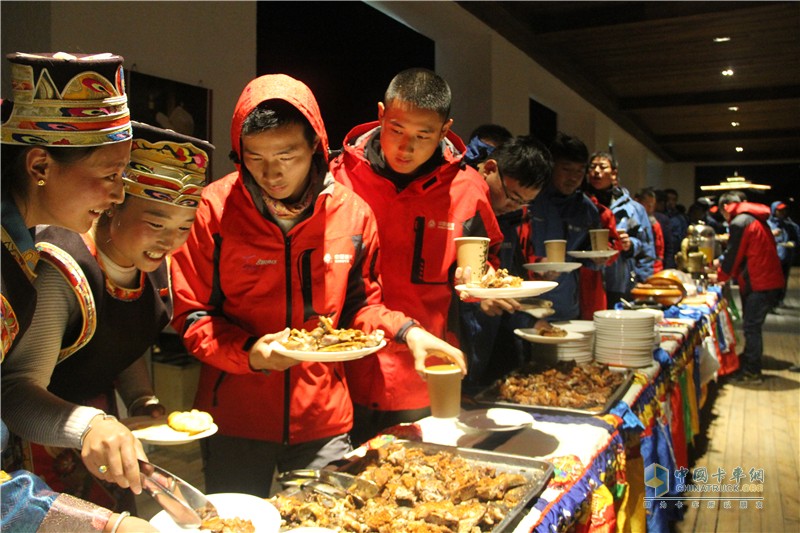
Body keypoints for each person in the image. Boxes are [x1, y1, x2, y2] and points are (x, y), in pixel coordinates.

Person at [169, 73, 464, 497]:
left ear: (314, 145)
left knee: (322, 520)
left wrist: (409, 332)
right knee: (234, 522)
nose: (271, 174)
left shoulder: (352, 214)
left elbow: (360, 309)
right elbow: (193, 314)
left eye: (287, 155)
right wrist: (251, 353)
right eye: (255, 158)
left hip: (322, 418)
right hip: (235, 416)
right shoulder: (213, 210)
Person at [2, 122, 213, 513]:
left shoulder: (153, 264)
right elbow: (15, 391)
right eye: (155, 223)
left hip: (103, 439)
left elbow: (122, 338)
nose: (170, 242)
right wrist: (90, 426)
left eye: (184, 227)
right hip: (42, 453)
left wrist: (141, 400)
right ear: (112, 206)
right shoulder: (61, 268)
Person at [0, 51, 154, 533]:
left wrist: (88, 424)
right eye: (109, 176)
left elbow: (11, 388)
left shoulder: (20, 247)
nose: (117, 195)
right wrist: (99, 527)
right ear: (41, 164)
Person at [330, 68, 504, 442]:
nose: (405, 147)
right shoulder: (339, 178)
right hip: (343, 372)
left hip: (425, 371)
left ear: (445, 130)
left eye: (423, 136)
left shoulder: (467, 189)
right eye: (396, 130)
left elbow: (489, 261)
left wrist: (484, 285)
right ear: (380, 115)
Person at [459, 135, 552, 389]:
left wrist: (528, 321)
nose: (514, 207)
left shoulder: (508, 218)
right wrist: (478, 293)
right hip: (449, 341)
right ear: (489, 168)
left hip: (482, 346)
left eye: (524, 203)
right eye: (513, 197)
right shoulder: (458, 189)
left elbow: (501, 282)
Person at [529, 132, 603, 321]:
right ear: (551, 166)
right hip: (528, 305)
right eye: (567, 169)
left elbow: (587, 255)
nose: (574, 177)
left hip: (567, 307)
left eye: (580, 171)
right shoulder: (530, 199)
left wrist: (598, 259)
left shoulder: (587, 209)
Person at [714, 193, 784, 383]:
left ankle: (752, 371)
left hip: (759, 281)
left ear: (725, 207)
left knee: (751, 327)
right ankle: (749, 361)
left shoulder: (740, 222)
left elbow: (734, 254)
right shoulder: (752, 218)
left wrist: (720, 276)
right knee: (752, 326)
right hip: (766, 279)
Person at [585, 151, 655, 306]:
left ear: (614, 174)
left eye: (602, 167)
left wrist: (630, 245)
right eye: (592, 167)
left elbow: (647, 248)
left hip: (620, 282)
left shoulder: (634, 209)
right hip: (585, 281)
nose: (596, 172)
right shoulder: (579, 204)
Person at [767, 200, 799, 309]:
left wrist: (793, 243)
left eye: (784, 210)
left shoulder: (790, 225)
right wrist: (772, 234)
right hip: (772, 256)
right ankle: (770, 301)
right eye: (779, 210)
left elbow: (796, 239)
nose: (782, 213)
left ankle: (780, 300)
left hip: (786, 255)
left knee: (783, 279)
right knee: (772, 280)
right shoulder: (768, 224)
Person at [636, 188, 665, 273]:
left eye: (652, 205)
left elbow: (659, 248)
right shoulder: (632, 219)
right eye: (647, 204)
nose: (650, 207)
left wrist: (656, 267)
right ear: (638, 202)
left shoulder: (654, 223)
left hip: (653, 266)